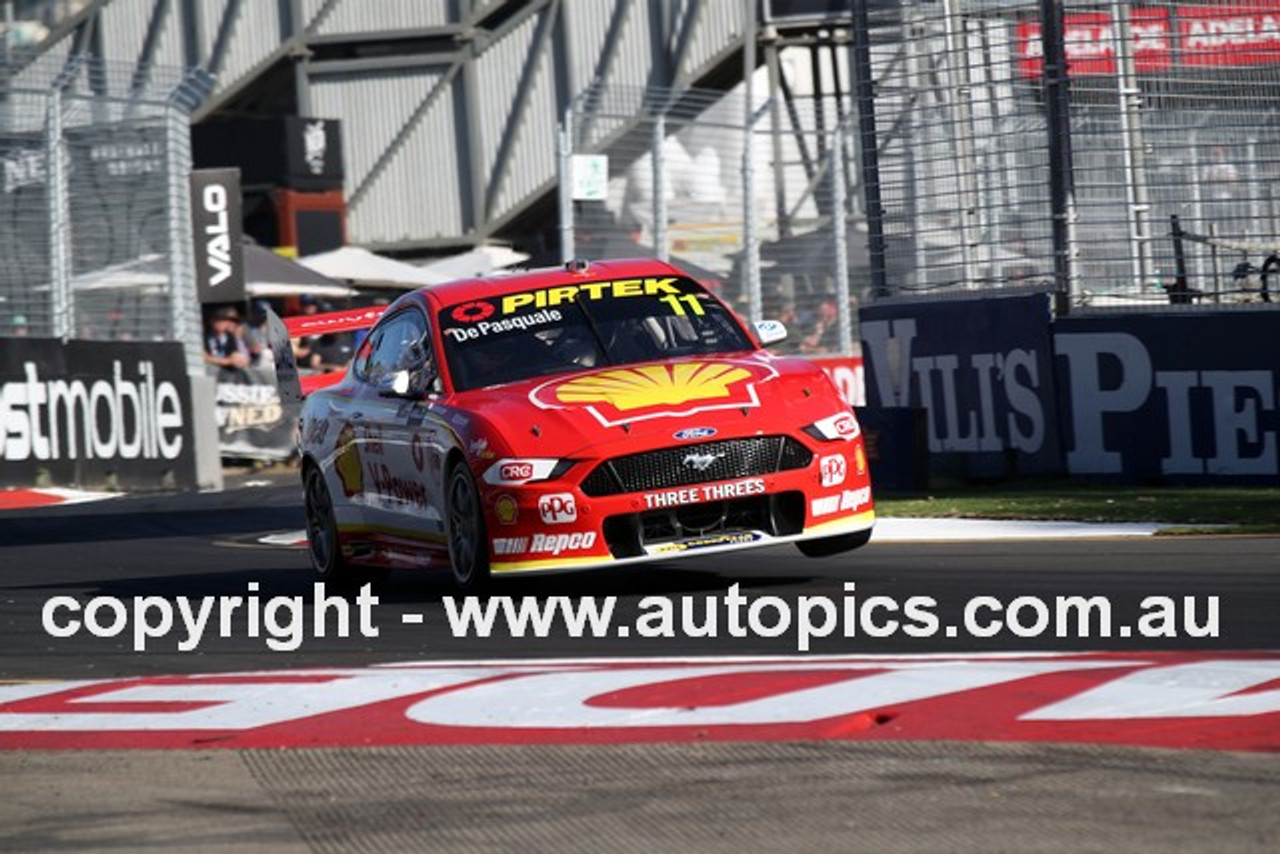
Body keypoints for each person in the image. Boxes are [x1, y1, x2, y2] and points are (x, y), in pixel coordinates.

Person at [203, 305, 250, 377]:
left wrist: (240, 360)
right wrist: (227, 361)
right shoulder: (205, 336)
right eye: (218, 320)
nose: (222, 323)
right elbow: (204, 357)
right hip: (210, 372)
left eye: (224, 320)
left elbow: (234, 354)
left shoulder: (230, 337)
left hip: (226, 374)